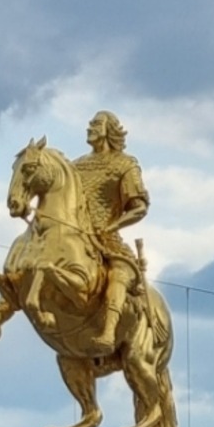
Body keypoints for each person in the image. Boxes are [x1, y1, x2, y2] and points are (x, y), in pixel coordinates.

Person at [71, 110, 149, 349]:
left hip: (106, 238)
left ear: (108, 130)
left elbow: (139, 206)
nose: (90, 127)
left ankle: (108, 331)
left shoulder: (125, 165)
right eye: (90, 123)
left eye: (95, 124)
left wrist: (111, 226)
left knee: (118, 274)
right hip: (74, 235)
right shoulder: (76, 166)